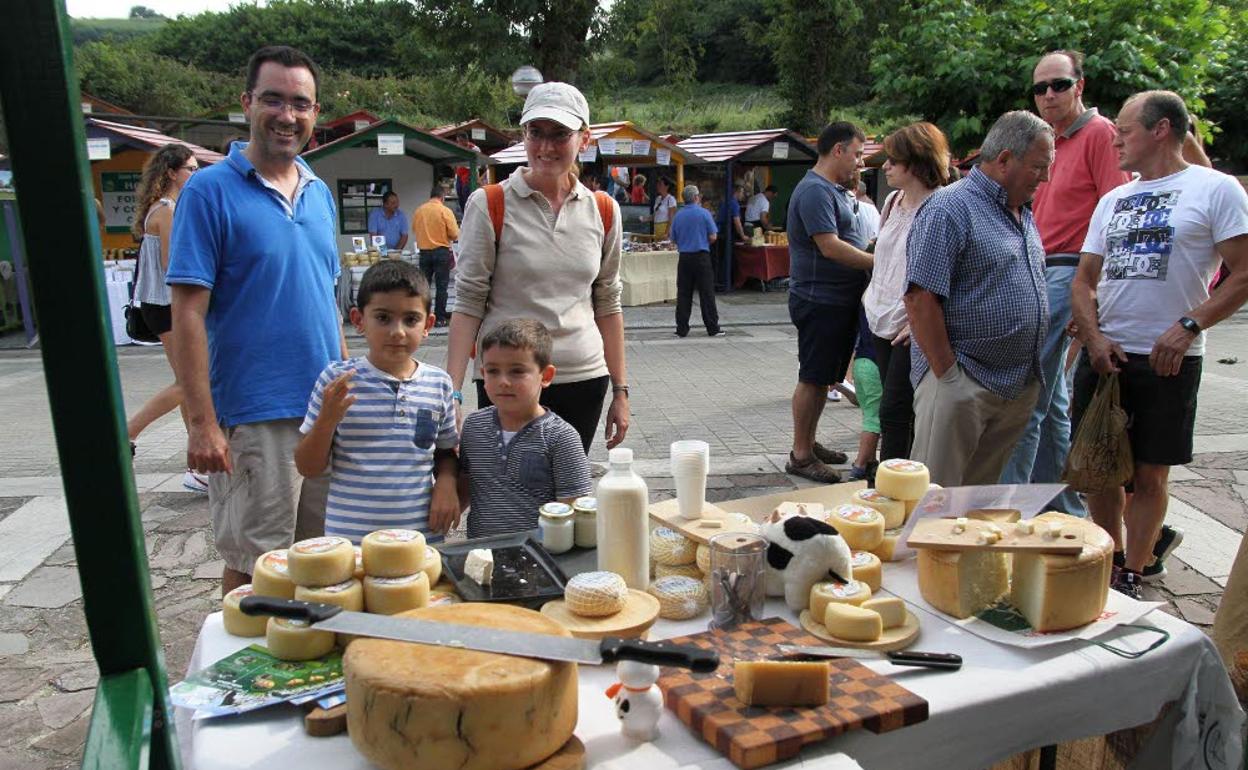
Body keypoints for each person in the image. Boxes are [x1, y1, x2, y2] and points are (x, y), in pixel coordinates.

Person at [168, 45, 346, 594]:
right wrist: (202, 421)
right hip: (255, 413)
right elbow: (187, 313)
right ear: (246, 103)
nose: (287, 116)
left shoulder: (318, 191)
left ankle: (306, 673)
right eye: (273, 99)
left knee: (323, 561)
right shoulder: (209, 190)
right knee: (256, 567)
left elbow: (328, 298)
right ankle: (241, 675)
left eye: (301, 103)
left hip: (322, 412)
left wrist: (345, 391)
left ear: (316, 113)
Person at [1071, 90, 1248, 597]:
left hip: (1169, 359)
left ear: (1161, 129)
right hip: (1107, 354)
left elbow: (1243, 274)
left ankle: (1135, 569)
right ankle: (1108, 561)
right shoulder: (1113, 199)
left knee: (1150, 474)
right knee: (1100, 472)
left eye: (1124, 131)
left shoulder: (1215, 190)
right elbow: (1084, 281)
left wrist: (1190, 325)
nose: (1116, 141)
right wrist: (1093, 335)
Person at [447, 81, 630, 455]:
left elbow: (608, 303)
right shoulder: (490, 204)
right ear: (523, 135)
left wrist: (620, 391)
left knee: (565, 500)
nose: (546, 147)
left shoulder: (604, 210)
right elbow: (467, 303)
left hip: (583, 377)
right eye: (536, 132)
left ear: (585, 139)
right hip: (507, 379)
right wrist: (451, 394)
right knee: (510, 496)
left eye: (560, 134)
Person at [998, 50, 1130, 517]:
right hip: (1039, 267)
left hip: (1067, 270)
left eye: (1058, 84)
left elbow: (1117, 213)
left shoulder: (1098, 133)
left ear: (1080, 86)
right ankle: (1062, 506)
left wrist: (1089, 298)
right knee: (1051, 398)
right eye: (1040, 88)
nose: (1048, 95)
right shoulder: (1044, 139)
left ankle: (1010, 511)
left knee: (1027, 395)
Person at [905, 110, 1053, 487]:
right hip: (963, 381)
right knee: (934, 503)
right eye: (1038, 167)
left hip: (1012, 385)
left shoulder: (1021, 211)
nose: (1046, 177)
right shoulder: (949, 208)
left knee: (975, 506)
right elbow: (920, 300)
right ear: (1004, 160)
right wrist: (950, 379)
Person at [294, 261, 459, 542]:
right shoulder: (337, 381)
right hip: (351, 544)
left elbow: (445, 452)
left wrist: (446, 482)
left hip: (419, 541)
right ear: (358, 320)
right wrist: (327, 420)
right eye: (383, 318)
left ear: (428, 324)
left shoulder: (439, 383)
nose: (398, 331)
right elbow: (307, 467)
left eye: (411, 319)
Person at [783, 121, 873, 484]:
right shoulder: (815, 191)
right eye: (857, 154)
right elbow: (830, 245)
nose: (859, 163)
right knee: (813, 378)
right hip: (820, 299)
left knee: (823, 379)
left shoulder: (832, 190)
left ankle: (808, 443)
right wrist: (877, 262)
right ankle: (801, 455)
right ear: (838, 150)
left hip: (836, 300)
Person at [861, 122, 951, 462]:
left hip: (908, 323)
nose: (885, 166)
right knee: (896, 407)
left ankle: (893, 483)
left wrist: (919, 322)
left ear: (915, 162)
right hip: (879, 316)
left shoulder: (941, 206)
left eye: (893, 160)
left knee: (895, 409)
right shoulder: (893, 201)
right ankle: (903, 477)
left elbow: (946, 272)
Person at [458, 319, 593, 538]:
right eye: (493, 371)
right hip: (481, 555)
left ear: (546, 376)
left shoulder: (561, 437)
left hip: (541, 559)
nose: (503, 381)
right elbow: (465, 487)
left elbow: (575, 512)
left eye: (517, 372)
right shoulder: (474, 427)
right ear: (483, 374)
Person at [125, 144, 207, 493]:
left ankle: (198, 465)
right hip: (168, 305)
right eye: (189, 168)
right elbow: (175, 265)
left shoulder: (159, 208)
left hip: (159, 305)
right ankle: (126, 433)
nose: (195, 173)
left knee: (186, 384)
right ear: (172, 172)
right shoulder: (169, 210)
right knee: (189, 382)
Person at [669, 184, 723, 338]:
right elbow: (713, 236)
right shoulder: (704, 213)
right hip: (701, 256)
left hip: (684, 258)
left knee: (684, 293)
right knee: (707, 293)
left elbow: (673, 239)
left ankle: (682, 328)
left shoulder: (678, 215)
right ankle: (712, 327)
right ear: (695, 197)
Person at [410, 185, 460, 327]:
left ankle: (422, 316)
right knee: (441, 287)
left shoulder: (419, 210)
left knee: (423, 286)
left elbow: (415, 229)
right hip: (441, 252)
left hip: (424, 253)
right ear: (442, 197)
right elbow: (454, 234)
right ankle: (439, 318)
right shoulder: (445, 211)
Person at [848, 308, 882, 482]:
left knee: (868, 415)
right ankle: (860, 465)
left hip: (861, 363)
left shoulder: (864, 301)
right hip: (875, 365)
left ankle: (870, 461)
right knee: (874, 420)